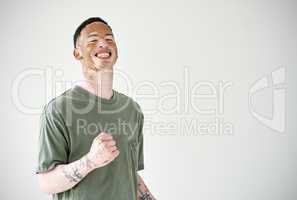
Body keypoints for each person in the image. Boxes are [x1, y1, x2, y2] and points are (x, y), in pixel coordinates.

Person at [36, 17, 156, 200]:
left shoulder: (132, 110)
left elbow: (128, 174)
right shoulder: (58, 109)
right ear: (77, 54)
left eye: (109, 39)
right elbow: (46, 183)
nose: (103, 43)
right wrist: (90, 161)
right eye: (93, 40)